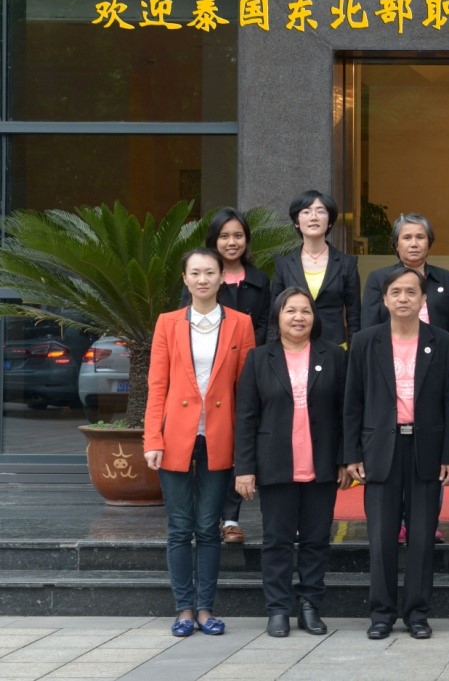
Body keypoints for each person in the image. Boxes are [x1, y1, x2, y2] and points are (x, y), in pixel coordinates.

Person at [344, 266, 449, 640]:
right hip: (380, 447)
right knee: (381, 536)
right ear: (384, 299)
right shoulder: (366, 341)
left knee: (422, 536)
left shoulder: (443, 341)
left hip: (426, 448)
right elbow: (353, 401)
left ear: (423, 298)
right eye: (396, 292)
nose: (403, 299)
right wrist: (352, 453)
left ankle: (417, 613)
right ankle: (382, 613)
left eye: (411, 292)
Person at [143, 248, 255, 637]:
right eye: (195, 273)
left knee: (208, 527)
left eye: (210, 272)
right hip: (175, 434)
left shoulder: (241, 323)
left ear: (222, 277)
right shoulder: (168, 323)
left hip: (220, 435)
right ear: (185, 279)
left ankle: (206, 609)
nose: (203, 279)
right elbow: (157, 385)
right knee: (179, 526)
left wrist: (245, 449)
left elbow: (247, 391)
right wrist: (152, 437)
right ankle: (183, 610)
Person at [234, 288, 348, 638]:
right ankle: (278, 609)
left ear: (315, 318)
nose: (299, 317)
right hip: (275, 464)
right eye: (290, 311)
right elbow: (246, 418)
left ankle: (310, 605)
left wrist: (346, 460)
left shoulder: (334, 356)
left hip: (322, 465)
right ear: (277, 316)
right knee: (276, 541)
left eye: (305, 311)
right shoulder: (259, 358)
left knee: (316, 540)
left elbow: (346, 413)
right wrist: (244, 468)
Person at [180, 208, 272, 546]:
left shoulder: (260, 280)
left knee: (238, 440)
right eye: (224, 236)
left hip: (247, 368)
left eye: (238, 235)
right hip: (207, 376)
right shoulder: (201, 277)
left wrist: (254, 360)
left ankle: (230, 518)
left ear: (247, 239)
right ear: (213, 240)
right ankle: (203, 516)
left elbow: (265, 324)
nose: (231, 242)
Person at [271, 190, 361, 347]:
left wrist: (354, 353)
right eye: (306, 212)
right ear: (297, 222)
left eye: (321, 211)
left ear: (330, 221)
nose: (314, 217)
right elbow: (274, 313)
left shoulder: (347, 264)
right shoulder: (284, 264)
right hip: (293, 347)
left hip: (335, 347)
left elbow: (354, 317)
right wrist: (271, 352)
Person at [361, 213, 449, 336]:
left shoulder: (448, 279)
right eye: (407, 238)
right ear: (396, 245)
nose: (414, 244)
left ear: (429, 243)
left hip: (438, 347)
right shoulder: (378, 279)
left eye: (420, 237)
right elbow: (368, 328)